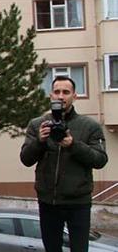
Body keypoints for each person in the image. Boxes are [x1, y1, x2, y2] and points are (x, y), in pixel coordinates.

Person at [20, 76, 108, 252]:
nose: (61, 96)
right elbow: (26, 159)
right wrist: (39, 141)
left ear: (74, 96)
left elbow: (100, 160)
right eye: (57, 92)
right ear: (51, 95)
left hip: (78, 202)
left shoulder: (89, 126)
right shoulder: (37, 124)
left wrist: (73, 145)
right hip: (48, 202)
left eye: (66, 92)